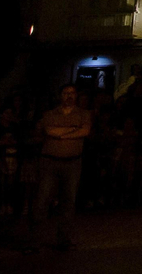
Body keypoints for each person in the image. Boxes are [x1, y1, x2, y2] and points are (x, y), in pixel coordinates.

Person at [29, 85, 91, 251]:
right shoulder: (49, 114)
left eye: (72, 93)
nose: (69, 96)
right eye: (65, 93)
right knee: (42, 201)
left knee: (68, 201)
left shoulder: (84, 114)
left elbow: (84, 131)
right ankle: (34, 241)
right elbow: (50, 131)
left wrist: (62, 133)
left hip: (73, 163)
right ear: (60, 96)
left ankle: (63, 239)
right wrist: (72, 130)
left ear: (76, 95)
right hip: (50, 162)